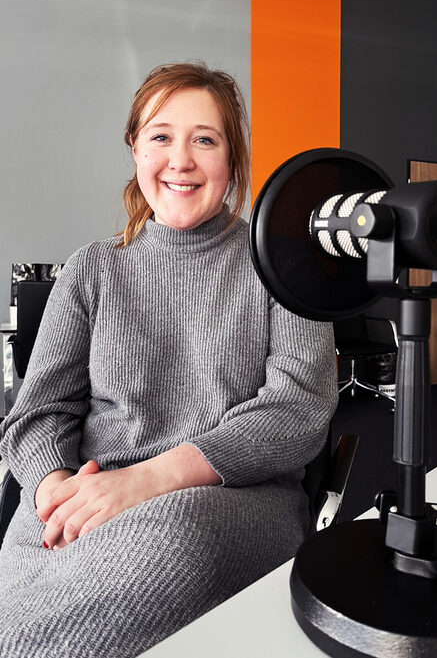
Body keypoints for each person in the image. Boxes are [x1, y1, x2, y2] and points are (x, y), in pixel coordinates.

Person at [0, 63, 338, 657]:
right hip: (86, 489)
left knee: (165, 558)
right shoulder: (91, 269)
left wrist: (150, 479)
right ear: (135, 149)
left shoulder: (284, 265)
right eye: (160, 136)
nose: (180, 160)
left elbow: (298, 411)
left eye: (204, 139)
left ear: (232, 160)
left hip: (229, 500)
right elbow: (39, 411)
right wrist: (56, 486)